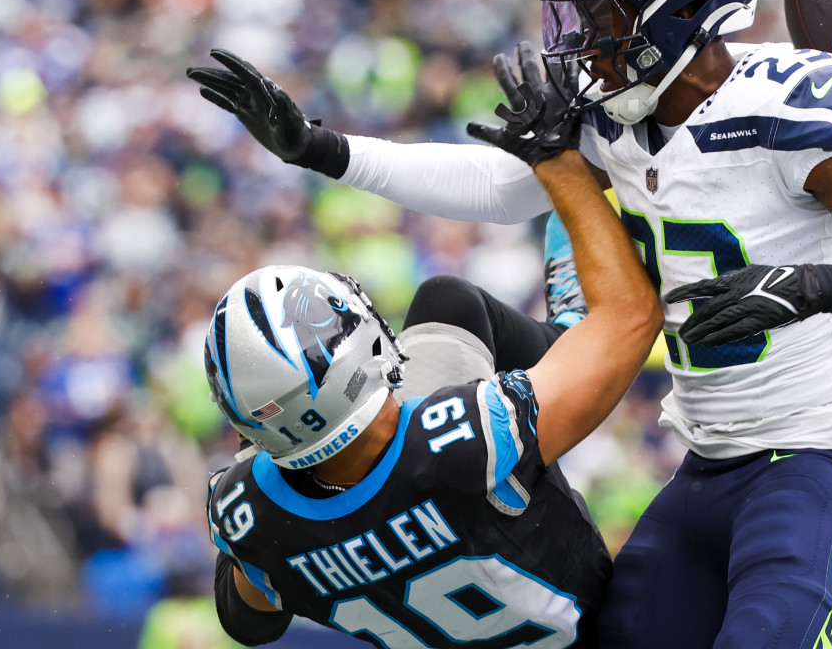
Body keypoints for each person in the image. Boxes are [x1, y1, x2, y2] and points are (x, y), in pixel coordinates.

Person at [189, 0, 832, 649]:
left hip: (817, 462)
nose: (585, 37)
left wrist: (822, 285)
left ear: (682, 7)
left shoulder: (787, 104)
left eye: (605, 12)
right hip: (707, 465)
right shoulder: (614, 117)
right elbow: (499, 186)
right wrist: (322, 150)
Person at [201, 116, 662, 647]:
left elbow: (248, 621)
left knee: (448, 306)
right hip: (598, 629)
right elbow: (632, 315)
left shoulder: (246, 515)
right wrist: (563, 170)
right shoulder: (470, 438)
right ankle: (567, 329)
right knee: (453, 303)